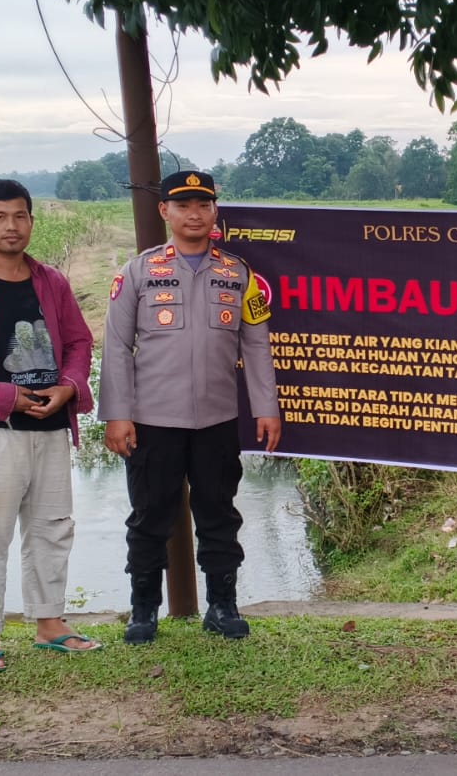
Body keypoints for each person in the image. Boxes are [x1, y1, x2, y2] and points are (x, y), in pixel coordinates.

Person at [99, 169, 281, 643]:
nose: (194, 214)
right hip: (153, 422)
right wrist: (117, 414)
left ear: (215, 210)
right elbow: (116, 346)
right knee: (149, 516)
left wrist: (266, 407)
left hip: (217, 420)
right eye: (183, 205)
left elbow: (256, 345)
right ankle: (144, 610)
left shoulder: (239, 274)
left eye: (203, 205)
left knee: (219, 514)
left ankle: (222, 606)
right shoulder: (138, 272)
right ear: (165, 212)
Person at [0, 179, 99, 672]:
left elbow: (79, 341)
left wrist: (68, 387)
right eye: (0, 217)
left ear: (31, 220)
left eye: (20, 216)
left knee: (52, 528)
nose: (12, 226)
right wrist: (7, 396)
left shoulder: (51, 281)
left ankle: (49, 623)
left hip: (50, 426)